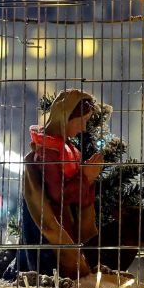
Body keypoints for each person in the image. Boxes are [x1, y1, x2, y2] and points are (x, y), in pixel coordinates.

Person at [18, 89, 105, 278]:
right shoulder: (49, 151)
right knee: (52, 266)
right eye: (81, 121)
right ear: (66, 117)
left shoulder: (67, 148)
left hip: (66, 221)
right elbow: (57, 194)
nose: (83, 128)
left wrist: (86, 178)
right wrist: (86, 178)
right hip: (51, 226)